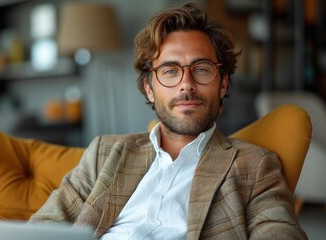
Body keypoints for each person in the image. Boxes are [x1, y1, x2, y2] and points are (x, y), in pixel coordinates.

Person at [29, 3, 307, 239]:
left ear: (222, 84)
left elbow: (279, 231)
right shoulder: (104, 153)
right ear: (149, 88)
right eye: (170, 71)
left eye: (201, 69)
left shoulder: (254, 166)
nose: (186, 84)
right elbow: (41, 228)